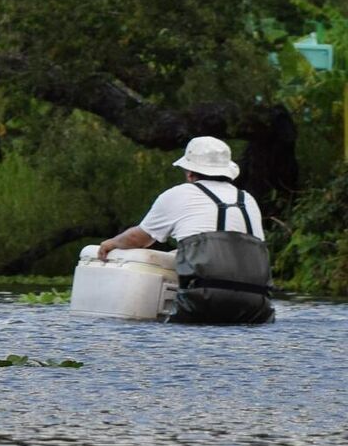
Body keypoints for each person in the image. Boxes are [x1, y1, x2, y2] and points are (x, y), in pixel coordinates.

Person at [94, 136, 274, 325]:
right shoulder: (248, 200)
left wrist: (111, 243)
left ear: (189, 173)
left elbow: (138, 239)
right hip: (258, 306)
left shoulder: (179, 194)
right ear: (228, 172)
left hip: (203, 302)